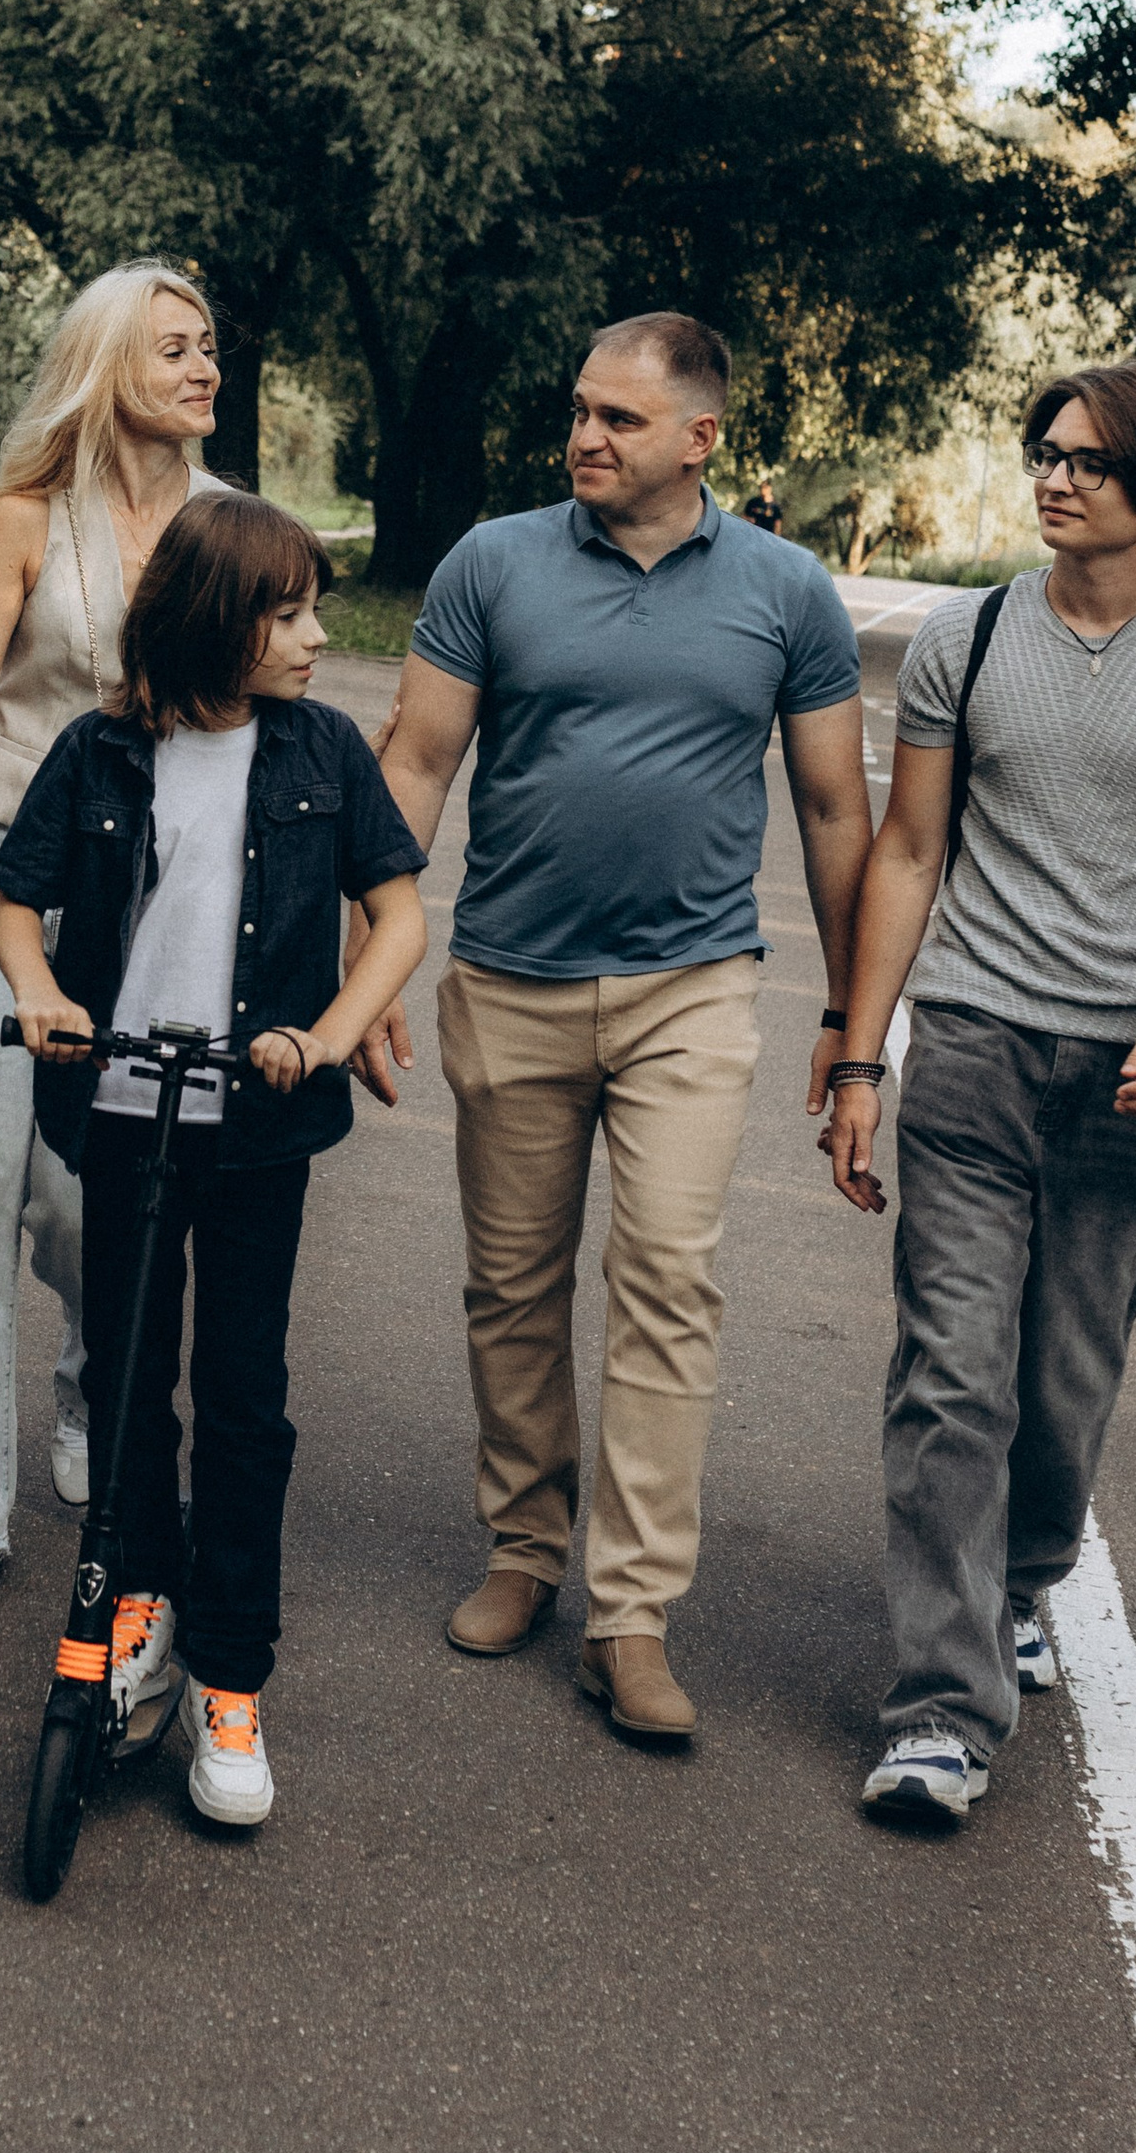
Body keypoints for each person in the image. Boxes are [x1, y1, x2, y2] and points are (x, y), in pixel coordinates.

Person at [371, 313, 872, 1746]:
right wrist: (372, 959)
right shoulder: (494, 562)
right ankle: (525, 1548)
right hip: (512, 977)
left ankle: (631, 1611)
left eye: (619, 420)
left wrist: (851, 1026)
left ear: (701, 439)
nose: (585, 437)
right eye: (579, 411)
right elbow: (414, 759)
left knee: (667, 1277)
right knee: (514, 1284)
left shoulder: (785, 594)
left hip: (692, 989)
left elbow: (840, 813)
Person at [825, 362, 1136, 1824]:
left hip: (1135, 1088)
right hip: (971, 1053)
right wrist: (857, 1054)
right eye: (1046, 452)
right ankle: (944, 1710)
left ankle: (1022, 1579)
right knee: (950, 1378)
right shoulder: (967, 643)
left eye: (1087, 460)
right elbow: (908, 854)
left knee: (1059, 1386)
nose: (1055, 477)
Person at [0, 493, 428, 1830]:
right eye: (287, 612)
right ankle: (141, 1611)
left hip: (256, 1130)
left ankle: (231, 1674)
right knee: (127, 1382)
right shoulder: (100, 753)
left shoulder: (323, 752)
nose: (313, 634)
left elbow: (398, 912)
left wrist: (330, 1031)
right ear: (210, 620)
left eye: (311, 609)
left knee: (243, 1395)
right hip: (121, 1112)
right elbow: (15, 903)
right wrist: (47, 996)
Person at [0, 267, 234, 1592]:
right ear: (108, 370)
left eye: (210, 348)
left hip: (149, 896)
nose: (206, 368)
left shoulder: (233, 524)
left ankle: (96, 1384)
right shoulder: (24, 520)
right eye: (174, 349)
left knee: (92, 1200)